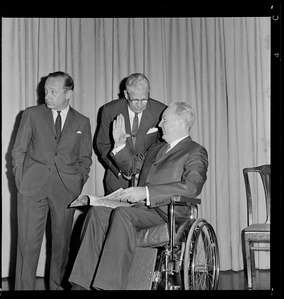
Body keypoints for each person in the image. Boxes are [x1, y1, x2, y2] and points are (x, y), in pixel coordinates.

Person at [69, 102, 208, 290]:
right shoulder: (155, 149)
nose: (159, 124)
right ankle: (80, 283)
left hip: (168, 213)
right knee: (97, 213)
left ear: (180, 122)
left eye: (164, 119)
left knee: (122, 214)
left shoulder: (195, 151)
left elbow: (191, 187)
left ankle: (109, 286)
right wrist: (119, 145)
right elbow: (130, 168)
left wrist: (146, 192)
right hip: (141, 211)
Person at [12, 71, 92, 290]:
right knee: (27, 246)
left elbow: (85, 159)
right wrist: (21, 180)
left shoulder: (82, 122)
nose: (47, 96)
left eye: (53, 92)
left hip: (65, 191)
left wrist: (77, 181)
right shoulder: (31, 114)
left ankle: (57, 287)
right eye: (45, 91)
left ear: (68, 93)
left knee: (61, 246)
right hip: (32, 188)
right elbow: (18, 151)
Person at [96, 73, 166, 195]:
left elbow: (163, 147)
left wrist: (143, 171)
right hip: (117, 181)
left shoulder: (160, 111)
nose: (140, 105)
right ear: (126, 94)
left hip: (148, 182)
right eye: (135, 100)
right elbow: (103, 145)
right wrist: (120, 170)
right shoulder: (109, 110)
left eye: (144, 100)